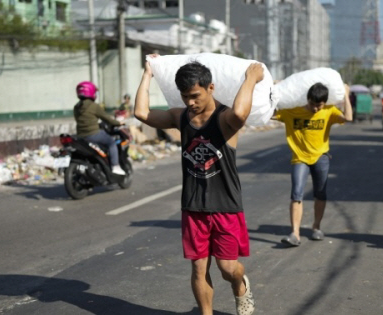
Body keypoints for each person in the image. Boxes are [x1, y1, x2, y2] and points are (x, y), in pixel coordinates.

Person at [134, 56, 264, 315]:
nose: (190, 102)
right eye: (184, 97)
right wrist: (148, 74)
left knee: (228, 268)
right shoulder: (181, 117)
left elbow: (240, 112)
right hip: (193, 206)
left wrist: (251, 77)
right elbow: (142, 113)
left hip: (225, 205)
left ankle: (240, 284)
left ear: (210, 88)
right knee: (198, 267)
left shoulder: (224, 118)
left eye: (195, 95)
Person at [274, 83, 352, 246]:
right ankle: (295, 233)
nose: (316, 109)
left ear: (324, 103)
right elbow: (269, 114)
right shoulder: (292, 112)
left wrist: (345, 94)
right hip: (300, 158)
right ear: (307, 99)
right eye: (312, 105)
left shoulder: (329, 111)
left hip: (321, 157)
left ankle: (316, 227)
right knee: (296, 193)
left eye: (319, 105)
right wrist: (273, 93)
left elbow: (349, 118)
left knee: (320, 193)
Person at [74, 81, 126, 175]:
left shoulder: (77, 107)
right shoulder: (94, 106)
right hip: (93, 134)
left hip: (80, 136)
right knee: (111, 142)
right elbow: (107, 119)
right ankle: (115, 166)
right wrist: (118, 123)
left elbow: (82, 120)